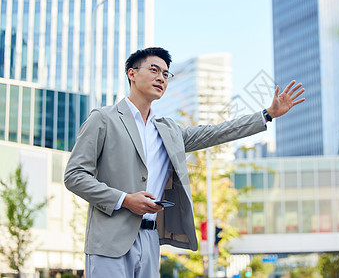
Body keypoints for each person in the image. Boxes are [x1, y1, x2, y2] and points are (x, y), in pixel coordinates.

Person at [64, 47, 305, 277]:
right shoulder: (104, 119)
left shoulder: (168, 131)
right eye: (154, 70)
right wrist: (124, 200)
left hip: (150, 239)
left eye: (166, 74)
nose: (162, 78)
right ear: (132, 74)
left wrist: (267, 114)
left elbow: (217, 132)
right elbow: (74, 176)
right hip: (109, 240)